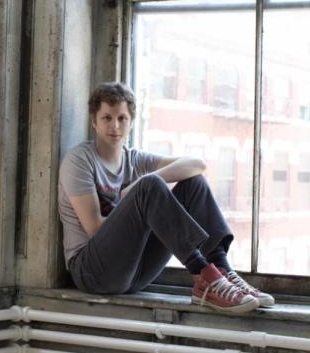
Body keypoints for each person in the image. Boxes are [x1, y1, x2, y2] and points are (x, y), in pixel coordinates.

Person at [58, 81, 274, 314]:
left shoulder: (135, 160)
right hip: (93, 272)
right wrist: (144, 190)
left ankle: (222, 271)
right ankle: (202, 275)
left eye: (122, 118)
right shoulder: (79, 161)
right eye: (107, 118)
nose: (115, 126)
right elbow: (94, 229)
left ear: (131, 122)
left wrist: (144, 182)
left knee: (193, 183)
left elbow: (197, 164)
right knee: (150, 186)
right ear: (94, 121)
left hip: (135, 272)